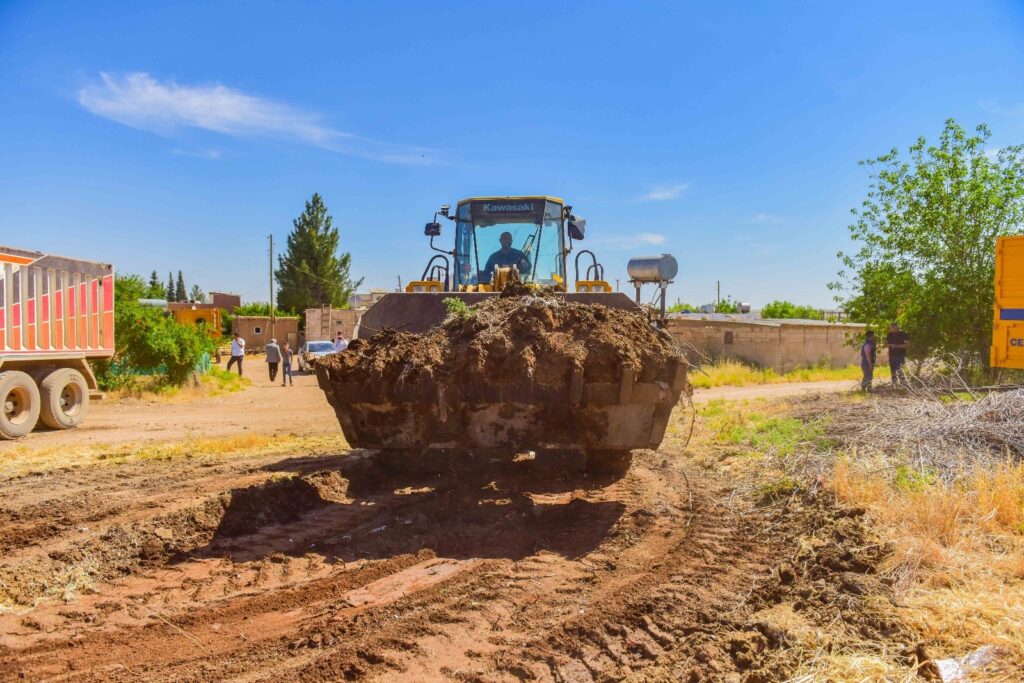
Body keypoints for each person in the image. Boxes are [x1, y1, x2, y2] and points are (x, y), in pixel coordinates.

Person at [886, 322, 911, 387]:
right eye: (891, 328)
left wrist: (896, 346)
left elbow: (907, 345)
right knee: (893, 372)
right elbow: (886, 344)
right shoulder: (890, 334)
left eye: (893, 328)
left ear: (897, 327)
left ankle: (903, 386)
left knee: (900, 371)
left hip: (900, 356)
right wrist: (890, 345)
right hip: (891, 356)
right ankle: (894, 385)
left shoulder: (903, 334)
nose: (892, 330)